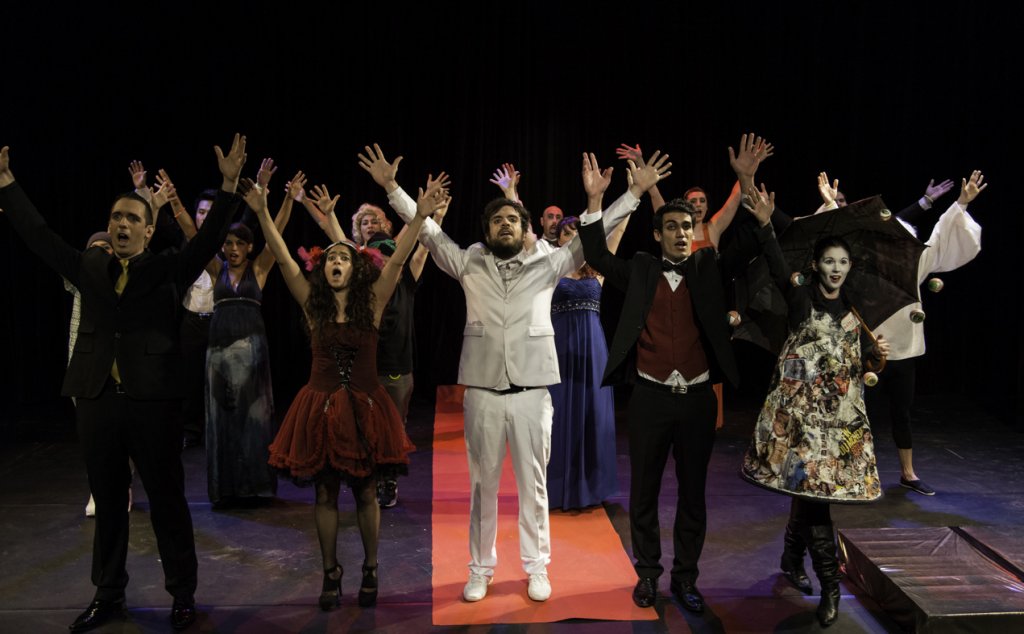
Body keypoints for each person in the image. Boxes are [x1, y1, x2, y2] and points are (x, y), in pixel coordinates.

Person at [359, 144, 669, 604]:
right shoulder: (468, 263)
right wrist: (391, 187)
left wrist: (628, 196)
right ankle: (480, 569)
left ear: (526, 229)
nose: (506, 224)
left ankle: (536, 568)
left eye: (513, 219)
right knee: (482, 488)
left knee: (534, 487)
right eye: (497, 219)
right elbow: (426, 233)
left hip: (531, 393)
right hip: (482, 393)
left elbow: (592, 235)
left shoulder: (548, 265)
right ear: (486, 230)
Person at [0, 135, 247, 632]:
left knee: (168, 500)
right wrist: (5, 183)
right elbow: (39, 235)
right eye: (116, 217)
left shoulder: (166, 268)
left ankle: (183, 593)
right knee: (109, 501)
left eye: (132, 218)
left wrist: (228, 185)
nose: (121, 224)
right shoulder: (90, 265)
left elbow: (206, 238)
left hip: (152, 401)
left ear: (149, 230)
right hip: (97, 400)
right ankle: (108, 592)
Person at [252, 176, 440, 610]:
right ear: (323, 268)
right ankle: (330, 571)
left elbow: (397, 262)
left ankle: (371, 567)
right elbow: (282, 259)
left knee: (366, 492)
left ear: (356, 268)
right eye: (331, 256)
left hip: (366, 408)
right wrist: (263, 212)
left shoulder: (373, 302)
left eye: (344, 256)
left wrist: (421, 215)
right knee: (323, 492)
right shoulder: (311, 305)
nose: (337, 260)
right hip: (318, 408)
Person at [741, 219, 891, 627]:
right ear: (816, 265)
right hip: (801, 425)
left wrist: (878, 355)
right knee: (816, 503)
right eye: (829, 261)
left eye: (842, 262)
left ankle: (791, 558)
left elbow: (861, 368)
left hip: (839, 427)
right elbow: (774, 265)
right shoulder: (801, 299)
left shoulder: (855, 311)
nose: (837, 268)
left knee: (809, 498)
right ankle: (830, 587)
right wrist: (765, 225)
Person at [816, 172, 984, 496]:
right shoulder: (858, 268)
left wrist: (960, 203)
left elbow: (940, 238)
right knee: (850, 413)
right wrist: (865, 343)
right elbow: (841, 301)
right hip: (868, 351)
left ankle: (908, 473)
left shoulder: (914, 264)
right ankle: (844, 472)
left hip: (905, 348)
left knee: (901, 413)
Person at [202, 159, 296, 507]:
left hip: (254, 356)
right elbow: (191, 233)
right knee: (222, 416)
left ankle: (254, 487)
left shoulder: (260, 268)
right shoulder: (215, 270)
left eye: (239, 243)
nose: (232, 249)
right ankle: (225, 488)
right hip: (218, 355)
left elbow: (277, 233)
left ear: (249, 248)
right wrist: (174, 206)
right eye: (227, 243)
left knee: (253, 417)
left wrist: (283, 200)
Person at [545, 215, 624, 510]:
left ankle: (591, 488)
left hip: (592, 350)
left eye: (578, 234)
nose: (573, 239)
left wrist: (636, 192)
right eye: (567, 235)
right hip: (560, 348)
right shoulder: (551, 269)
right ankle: (557, 487)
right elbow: (526, 239)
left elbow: (618, 231)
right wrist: (513, 194)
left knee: (593, 413)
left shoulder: (598, 269)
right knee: (558, 413)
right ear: (559, 241)